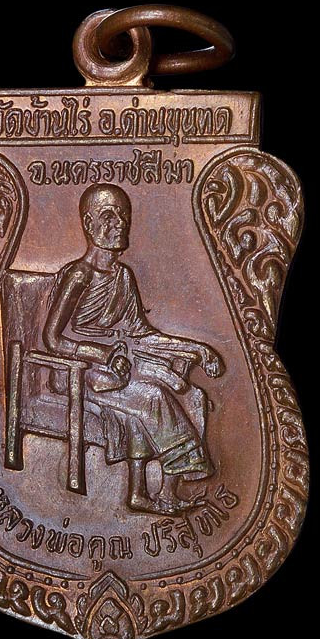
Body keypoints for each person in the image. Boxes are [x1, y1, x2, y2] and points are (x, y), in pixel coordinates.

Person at [42, 183, 224, 515]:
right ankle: (152, 492)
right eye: (108, 216)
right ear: (89, 224)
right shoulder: (80, 275)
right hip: (79, 372)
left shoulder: (123, 277)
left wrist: (196, 349)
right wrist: (102, 355)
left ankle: (160, 493)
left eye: (123, 216)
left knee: (192, 395)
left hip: (121, 367)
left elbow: (142, 334)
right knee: (153, 396)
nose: (119, 223)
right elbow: (52, 339)